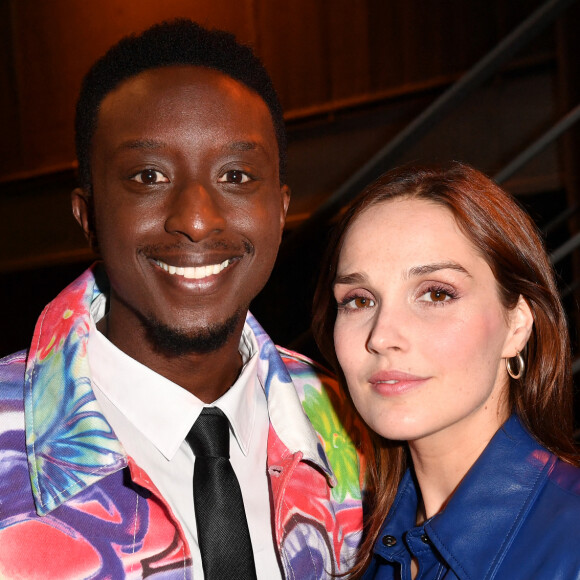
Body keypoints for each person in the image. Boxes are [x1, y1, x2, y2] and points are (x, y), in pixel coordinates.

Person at [0, 19, 366, 579]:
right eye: (148, 176)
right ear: (88, 216)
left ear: (282, 209)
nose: (196, 220)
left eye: (237, 175)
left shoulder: (355, 426)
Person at [312, 162, 580, 579]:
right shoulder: (350, 542)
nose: (382, 336)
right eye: (359, 300)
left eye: (436, 294)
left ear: (517, 325)